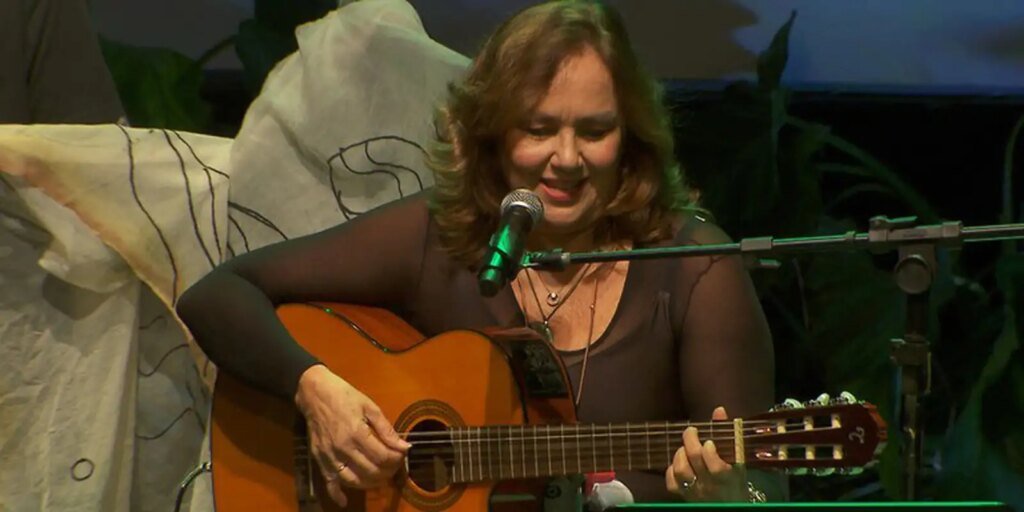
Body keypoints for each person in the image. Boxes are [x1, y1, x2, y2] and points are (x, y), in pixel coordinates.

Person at [176, 0, 780, 506]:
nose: (567, 159)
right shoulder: (439, 235)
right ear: (492, 135)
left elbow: (765, 485)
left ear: (631, 138)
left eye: (595, 131)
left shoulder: (696, 267)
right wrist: (316, 391)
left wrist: (733, 496)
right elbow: (217, 295)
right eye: (539, 129)